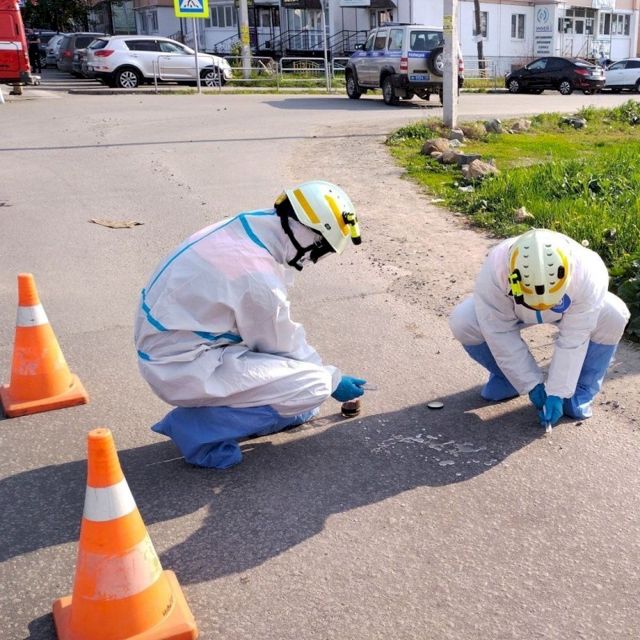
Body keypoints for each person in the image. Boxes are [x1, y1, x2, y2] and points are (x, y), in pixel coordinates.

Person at [135, 180, 367, 469]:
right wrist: (331, 379)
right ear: (310, 235)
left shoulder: (247, 227)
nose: (314, 260)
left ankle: (270, 407)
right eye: (320, 251)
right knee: (313, 386)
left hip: (172, 346)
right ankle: (195, 429)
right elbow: (280, 342)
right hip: (182, 368)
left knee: (299, 383)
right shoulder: (256, 275)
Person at [449, 228, 630, 428]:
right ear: (514, 279)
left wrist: (558, 391)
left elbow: (574, 338)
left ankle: (579, 390)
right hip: (515, 310)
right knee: (464, 320)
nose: (542, 307)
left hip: (569, 311)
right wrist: (529, 382)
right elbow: (499, 331)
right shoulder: (494, 271)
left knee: (614, 314)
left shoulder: (588, 273)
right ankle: (507, 378)